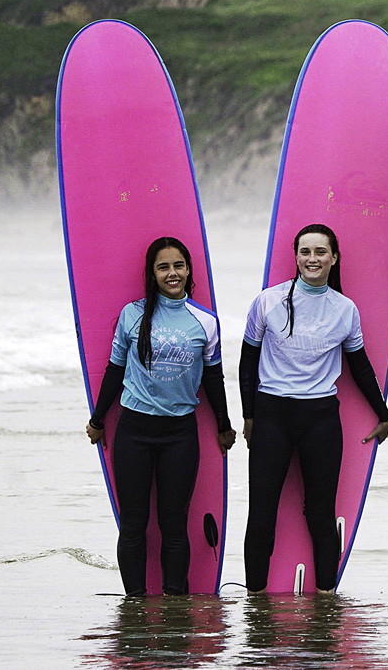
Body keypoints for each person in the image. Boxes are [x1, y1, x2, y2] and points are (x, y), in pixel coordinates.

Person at [239, 223, 388, 593]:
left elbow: (359, 365)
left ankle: (326, 600)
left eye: (320, 252)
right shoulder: (268, 301)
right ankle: (255, 602)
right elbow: (247, 361)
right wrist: (249, 415)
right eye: (305, 251)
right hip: (272, 414)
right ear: (296, 257)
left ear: (333, 258)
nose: (312, 258)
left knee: (321, 514)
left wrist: (383, 413)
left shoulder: (345, 309)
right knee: (262, 512)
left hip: (320, 418)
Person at [86, 236, 233, 595]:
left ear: (189, 270)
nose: (172, 273)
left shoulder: (205, 321)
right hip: (134, 430)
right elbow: (114, 370)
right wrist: (98, 419)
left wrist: (224, 424)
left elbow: (213, 377)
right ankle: (134, 605)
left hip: (180, 433)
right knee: (133, 524)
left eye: (178, 265)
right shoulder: (132, 314)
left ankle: (174, 602)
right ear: (152, 274)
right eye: (163, 267)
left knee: (174, 525)